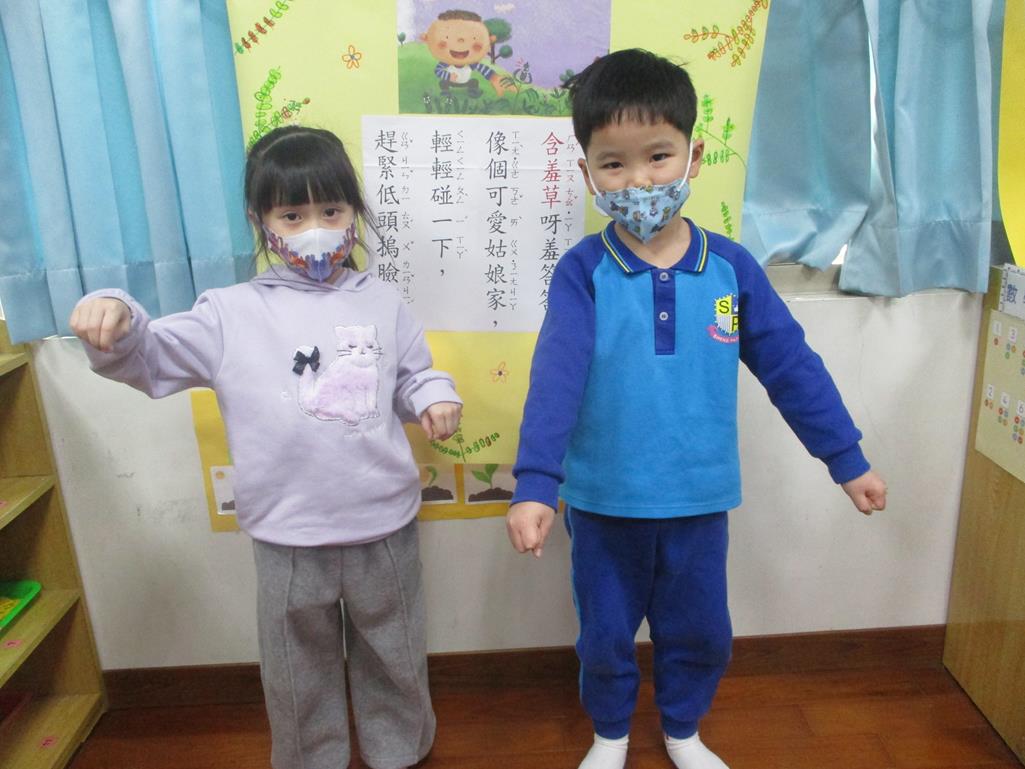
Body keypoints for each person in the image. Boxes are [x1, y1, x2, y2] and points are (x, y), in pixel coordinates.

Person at [505, 49, 887, 769]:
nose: (638, 181)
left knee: (701, 632)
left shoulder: (730, 270)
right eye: (613, 164)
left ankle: (682, 729)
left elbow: (790, 367)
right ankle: (610, 734)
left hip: (699, 499)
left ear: (694, 156)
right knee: (604, 635)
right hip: (604, 502)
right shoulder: (584, 271)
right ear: (586, 173)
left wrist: (846, 457)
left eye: (657, 156)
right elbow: (554, 379)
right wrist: (534, 483)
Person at [70, 125, 462, 769]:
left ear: (354, 213)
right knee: (295, 668)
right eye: (293, 215)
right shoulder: (228, 312)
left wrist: (434, 396)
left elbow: (411, 376)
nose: (316, 229)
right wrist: (114, 310)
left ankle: (399, 751)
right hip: (287, 532)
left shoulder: (383, 300)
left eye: (331, 210)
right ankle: (312, 758)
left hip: (383, 523)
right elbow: (148, 357)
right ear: (261, 221)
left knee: (394, 650)